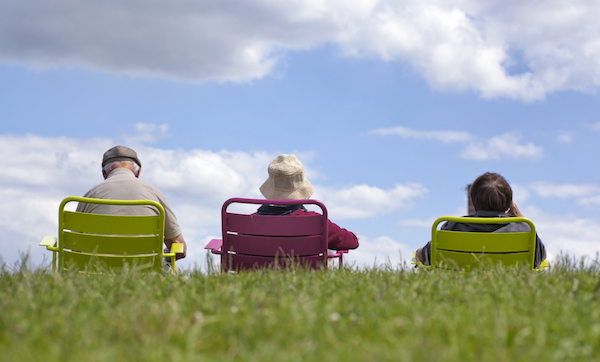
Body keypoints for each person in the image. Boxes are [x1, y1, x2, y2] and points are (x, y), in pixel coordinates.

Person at [76, 145, 187, 262]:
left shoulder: (90, 195)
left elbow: (74, 248)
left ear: (104, 174)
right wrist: (156, 257)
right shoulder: (153, 194)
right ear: (138, 172)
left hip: (96, 271)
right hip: (147, 271)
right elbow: (180, 249)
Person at [415, 172, 546, 268]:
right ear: (509, 204)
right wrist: (518, 214)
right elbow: (542, 255)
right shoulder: (523, 229)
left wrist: (417, 253)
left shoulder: (454, 225)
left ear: (473, 200)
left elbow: (426, 256)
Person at [257, 154, 359, 251]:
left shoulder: (251, 222)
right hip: (302, 268)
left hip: (257, 268)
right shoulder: (315, 221)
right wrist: (355, 237)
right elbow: (352, 242)